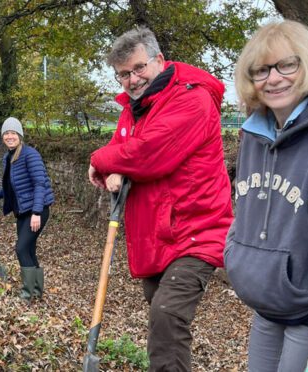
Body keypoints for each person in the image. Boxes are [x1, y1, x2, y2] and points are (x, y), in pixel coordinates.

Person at [88, 26, 233, 371]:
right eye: (124, 74)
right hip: (159, 234)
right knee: (161, 316)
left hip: (197, 230)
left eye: (139, 68)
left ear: (159, 61)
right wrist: (110, 163)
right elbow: (120, 145)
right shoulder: (136, 109)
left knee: (166, 315)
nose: (133, 79)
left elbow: (147, 154)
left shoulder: (190, 100)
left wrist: (100, 161)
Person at [224, 20, 308, 372]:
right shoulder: (255, 133)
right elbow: (247, 210)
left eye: (287, 64)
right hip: (267, 309)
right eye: (261, 69)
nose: (273, 78)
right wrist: (235, 251)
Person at [0, 117, 54, 303]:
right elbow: (12, 186)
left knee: (21, 248)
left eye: (13, 133)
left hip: (37, 210)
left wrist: (37, 212)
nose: (9, 136)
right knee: (29, 249)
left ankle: (26, 294)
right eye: (6, 133)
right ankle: (37, 292)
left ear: (20, 135)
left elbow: (40, 183)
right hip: (22, 211)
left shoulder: (30, 155)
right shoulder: (9, 157)